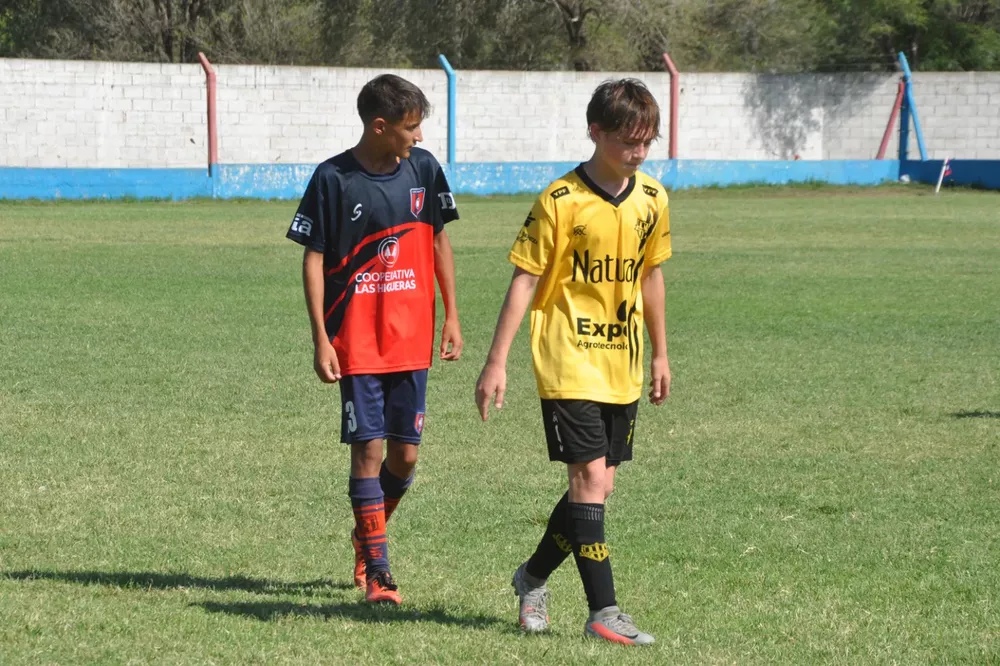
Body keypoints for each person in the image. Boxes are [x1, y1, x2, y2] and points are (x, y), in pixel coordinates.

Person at [475, 78, 671, 645]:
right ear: (596, 132)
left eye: (647, 141)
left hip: (622, 360)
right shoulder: (560, 200)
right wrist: (497, 361)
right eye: (628, 141)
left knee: (599, 486)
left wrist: (661, 352)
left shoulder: (654, 199)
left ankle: (531, 578)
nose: (638, 152)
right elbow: (525, 278)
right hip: (566, 356)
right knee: (587, 479)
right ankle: (604, 611)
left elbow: (651, 276)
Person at [286, 73, 462, 605]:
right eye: (411, 127)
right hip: (357, 342)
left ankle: (368, 532)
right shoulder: (332, 179)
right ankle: (379, 571)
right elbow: (313, 259)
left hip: (411, 340)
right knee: (367, 450)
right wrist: (321, 337)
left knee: (405, 458)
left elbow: (437, 241)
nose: (420, 136)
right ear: (380, 127)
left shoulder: (425, 171)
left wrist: (452, 314)